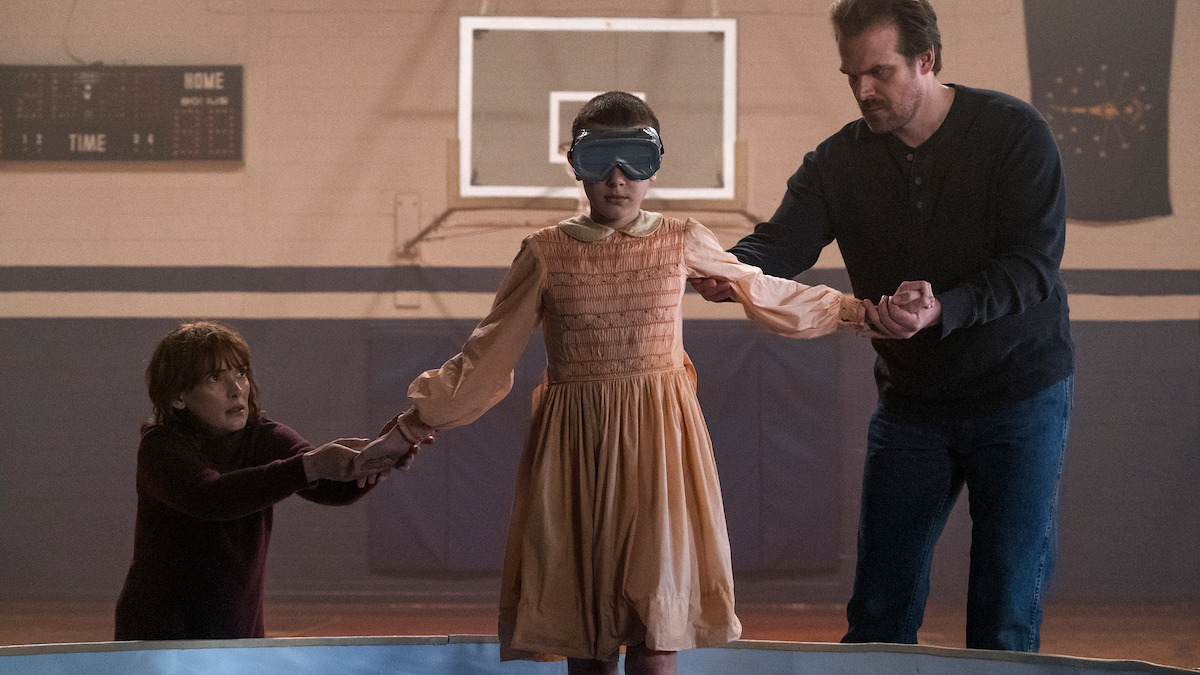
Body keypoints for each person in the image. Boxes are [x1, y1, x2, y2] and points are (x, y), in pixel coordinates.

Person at [353, 91, 879, 675]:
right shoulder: (545, 252)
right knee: (589, 643)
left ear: (655, 165)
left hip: (660, 451)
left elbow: (763, 288)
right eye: (599, 160)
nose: (618, 179)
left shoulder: (682, 237)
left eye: (635, 160)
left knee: (657, 639)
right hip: (575, 454)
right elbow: (487, 355)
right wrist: (409, 428)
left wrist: (863, 312)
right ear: (575, 164)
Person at [690, 0, 1074, 653]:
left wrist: (942, 306)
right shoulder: (838, 162)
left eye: (879, 72)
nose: (862, 90)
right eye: (850, 75)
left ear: (927, 60)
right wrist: (723, 271)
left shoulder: (1013, 132)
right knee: (878, 606)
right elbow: (778, 246)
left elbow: (1033, 266)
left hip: (1021, 397)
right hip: (911, 404)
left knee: (1006, 609)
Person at [114, 321, 378, 640]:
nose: (236, 388)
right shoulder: (160, 448)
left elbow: (334, 488)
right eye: (215, 378)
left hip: (237, 632)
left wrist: (384, 454)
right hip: (159, 635)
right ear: (178, 397)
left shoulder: (262, 435)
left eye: (240, 373)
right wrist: (309, 466)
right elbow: (212, 496)